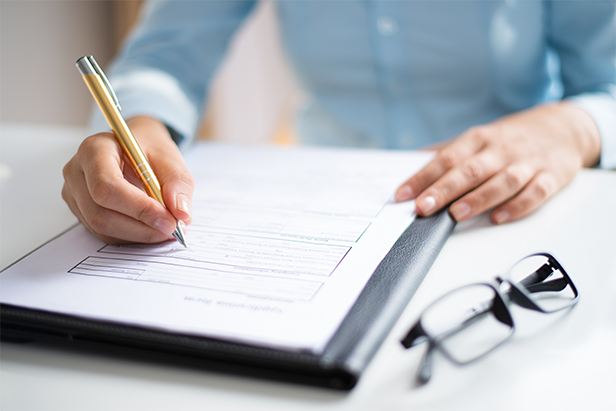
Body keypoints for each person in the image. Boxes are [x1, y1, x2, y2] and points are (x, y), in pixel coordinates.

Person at [62, 0, 616, 245]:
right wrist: (137, 127)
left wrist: (574, 128)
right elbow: (164, 58)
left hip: (512, 213)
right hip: (328, 210)